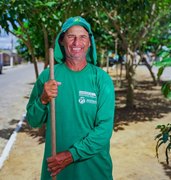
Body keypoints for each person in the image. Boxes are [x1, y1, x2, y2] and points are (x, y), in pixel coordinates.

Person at [26, 16, 115, 180]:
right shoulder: (49, 76)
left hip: (94, 172)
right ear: (62, 41)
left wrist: (70, 155)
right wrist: (43, 99)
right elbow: (33, 121)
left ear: (89, 43)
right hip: (58, 173)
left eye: (83, 37)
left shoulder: (101, 79)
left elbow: (104, 130)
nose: (76, 43)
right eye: (71, 36)